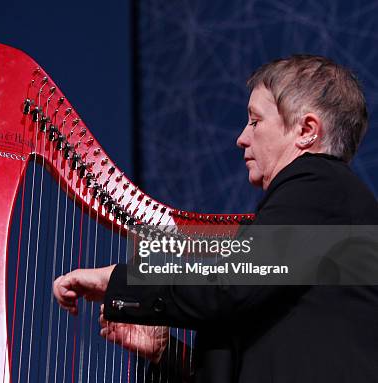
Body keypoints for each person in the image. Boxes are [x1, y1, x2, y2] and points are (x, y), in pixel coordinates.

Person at [53, 55, 378, 382]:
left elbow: (231, 284)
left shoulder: (319, 183)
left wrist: (122, 279)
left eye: (255, 121)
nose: (242, 138)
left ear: (306, 130)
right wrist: (168, 353)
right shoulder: (315, 209)